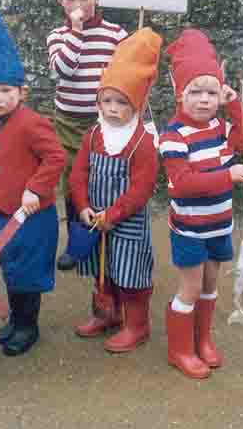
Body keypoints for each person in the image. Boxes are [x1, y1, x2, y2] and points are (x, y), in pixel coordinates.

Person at [159, 29, 243, 379]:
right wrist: (228, 175)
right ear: (179, 94)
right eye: (195, 92)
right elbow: (183, 184)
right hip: (189, 229)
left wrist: (233, 104)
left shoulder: (220, 124)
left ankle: (203, 340)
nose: (204, 100)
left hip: (219, 225)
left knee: (210, 284)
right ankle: (180, 350)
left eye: (211, 92)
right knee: (189, 287)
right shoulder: (173, 135)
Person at [0, 0, 66, 356]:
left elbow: (56, 156)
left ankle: (28, 327)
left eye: (5, 91)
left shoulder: (32, 123)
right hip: (6, 214)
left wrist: (36, 188)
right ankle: (15, 321)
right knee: (10, 267)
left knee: (28, 272)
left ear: (21, 93)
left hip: (33, 216)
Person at [69, 28, 161, 351]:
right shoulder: (93, 135)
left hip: (128, 222)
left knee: (130, 274)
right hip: (96, 217)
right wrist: (83, 206)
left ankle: (137, 325)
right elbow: (78, 173)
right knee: (103, 270)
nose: (111, 108)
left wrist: (115, 213)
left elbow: (142, 188)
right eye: (106, 100)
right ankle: (107, 313)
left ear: (135, 103)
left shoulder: (142, 143)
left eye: (121, 102)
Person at [47, 0, 128, 271]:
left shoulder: (115, 34)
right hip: (66, 120)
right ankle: (77, 240)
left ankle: (105, 233)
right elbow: (63, 70)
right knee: (72, 180)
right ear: (61, 0)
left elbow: (126, 79)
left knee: (103, 177)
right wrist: (76, 31)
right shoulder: (57, 36)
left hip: (103, 122)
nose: (79, 2)